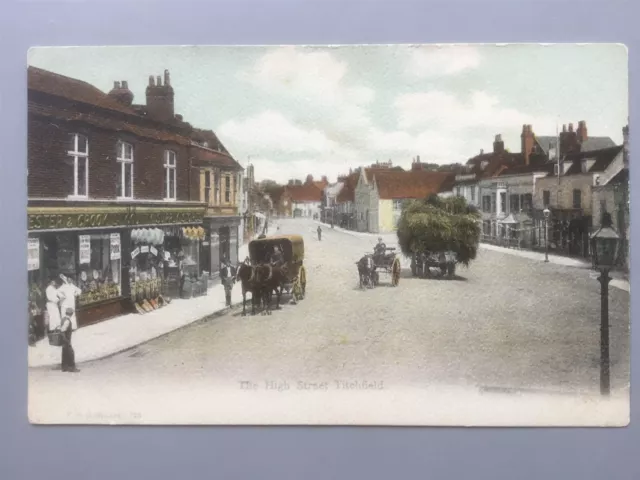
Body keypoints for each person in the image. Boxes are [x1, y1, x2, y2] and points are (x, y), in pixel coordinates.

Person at [60, 307, 79, 373]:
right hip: (66, 339)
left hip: (64, 340)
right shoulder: (67, 320)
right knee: (71, 353)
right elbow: (62, 330)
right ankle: (72, 368)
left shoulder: (63, 319)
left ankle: (64, 367)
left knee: (64, 353)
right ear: (71, 313)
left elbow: (63, 329)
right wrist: (67, 340)